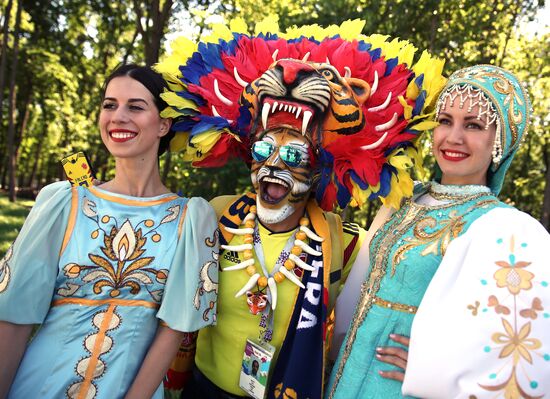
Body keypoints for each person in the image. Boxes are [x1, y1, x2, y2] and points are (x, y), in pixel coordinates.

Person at [155, 18, 444, 398]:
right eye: (263, 149)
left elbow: (405, 278)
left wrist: (434, 358)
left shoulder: (341, 240)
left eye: (293, 153)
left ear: (317, 167)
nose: (274, 164)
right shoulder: (215, 215)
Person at [326, 64, 550, 398]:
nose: (453, 137)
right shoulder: (402, 197)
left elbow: (520, 340)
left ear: (500, 140)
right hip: (346, 370)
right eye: (445, 121)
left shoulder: (502, 228)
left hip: (404, 386)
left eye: (473, 125)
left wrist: (436, 368)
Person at [0, 64, 218, 399]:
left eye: (135, 106)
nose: (118, 116)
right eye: (109, 104)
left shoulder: (191, 218)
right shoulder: (63, 203)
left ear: (163, 124)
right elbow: (14, 318)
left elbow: (173, 330)